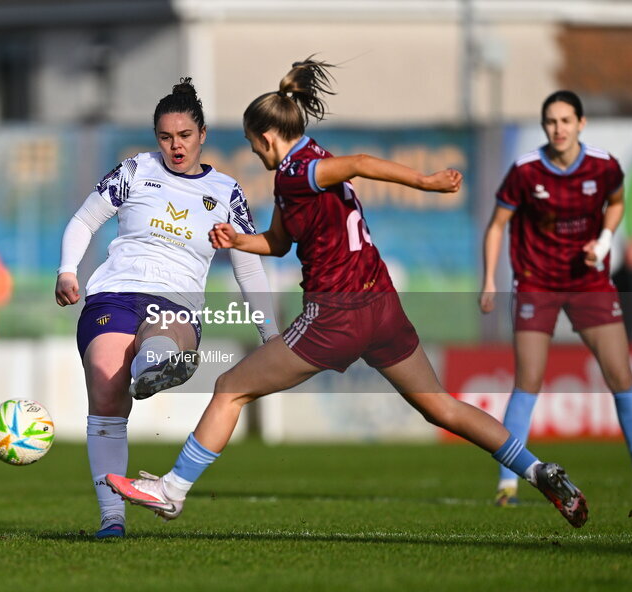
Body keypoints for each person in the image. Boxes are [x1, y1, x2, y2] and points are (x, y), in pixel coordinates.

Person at [105, 59, 589, 529]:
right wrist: (237, 239)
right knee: (439, 405)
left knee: (230, 388)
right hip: (382, 306)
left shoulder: (296, 171)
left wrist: (426, 181)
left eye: (256, 147)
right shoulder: (309, 157)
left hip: (336, 314)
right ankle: (537, 469)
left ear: (269, 137)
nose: (257, 156)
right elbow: (278, 242)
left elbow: (356, 163)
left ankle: (171, 491)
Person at [55, 78, 278, 539]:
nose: (175, 146)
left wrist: (270, 334)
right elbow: (84, 220)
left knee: (161, 333)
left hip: (176, 298)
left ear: (202, 134)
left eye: (184, 136)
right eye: (165, 137)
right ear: (157, 137)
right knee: (104, 380)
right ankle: (112, 517)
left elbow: (249, 270)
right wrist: (67, 270)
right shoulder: (135, 171)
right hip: (114, 291)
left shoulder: (226, 192)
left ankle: (153, 365)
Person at [480, 90, 632, 507]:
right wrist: (490, 279)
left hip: (589, 283)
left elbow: (616, 204)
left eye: (566, 121)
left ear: (581, 124)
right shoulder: (526, 171)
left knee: (620, 374)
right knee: (528, 380)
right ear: (545, 126)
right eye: (551, 121)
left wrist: (603, 241)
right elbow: (497, 225)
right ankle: (507, 486)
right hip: (536, 283)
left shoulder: (603, 166)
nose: (558, 128)